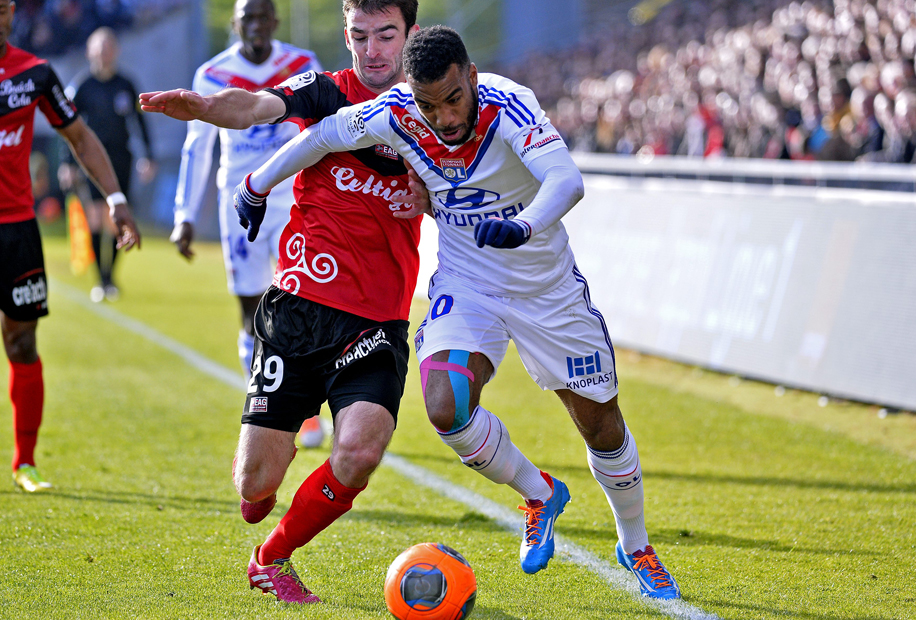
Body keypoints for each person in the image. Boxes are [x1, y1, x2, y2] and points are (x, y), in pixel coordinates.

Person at [239, 25, 681, 600]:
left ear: (471, 77)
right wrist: (256, 184)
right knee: (446, 405)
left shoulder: (508, 103)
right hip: (468, 283)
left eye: (453, 98)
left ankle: (635, 542)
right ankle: (540, 493)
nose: (444, 118)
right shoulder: (397, 111)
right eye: (429, 105)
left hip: (547, 290)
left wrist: (524, 226)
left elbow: (565, 180)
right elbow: (321, 136)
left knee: (601, 426)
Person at [140, 0, 423, 604]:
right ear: (346, 36)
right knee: (253, 488)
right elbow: (258, 104)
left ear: (411, 35)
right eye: (359, 36)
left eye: (386, 36)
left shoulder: (439, 106)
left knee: (360, 449)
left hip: (377, 318)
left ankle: (272, 558)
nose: (372, 51)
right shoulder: (325, 90)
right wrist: (209, 109)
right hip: (299, 307)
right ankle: (270, 473)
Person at [169, 0, 325, 447]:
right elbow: (197, 149)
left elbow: (321, 130)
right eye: (247, 18)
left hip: (294, 199)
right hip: (240, 207)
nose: (256, 25)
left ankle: (306, 412)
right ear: (235, 24)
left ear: (274, 22)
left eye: (263, 17)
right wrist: (184, 215)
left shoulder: (301, 65)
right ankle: (265, 403)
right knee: (251, 312)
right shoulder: (212, 75)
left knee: (302, 302)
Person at [0, 0, 140, 492]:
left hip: (16, 231)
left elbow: (79, 138)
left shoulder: (35, 74)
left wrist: (116, 198)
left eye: (1, 9)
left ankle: (25, 463)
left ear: (12, 12)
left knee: (21, 341)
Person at [60, 26, 154, 302]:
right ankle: (99, 279)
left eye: (108, 48)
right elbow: (68, 127)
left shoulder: (125, 85)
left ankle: (110, 277)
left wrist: (148, 156)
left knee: (117, 218)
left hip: (121, 159)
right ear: (90, 52)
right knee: (96, 216)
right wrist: (68, 163)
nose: (104, 53)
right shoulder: (82, 87)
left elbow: (139, 121)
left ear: (116, 51)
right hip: (90, 161)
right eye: (99, 48)